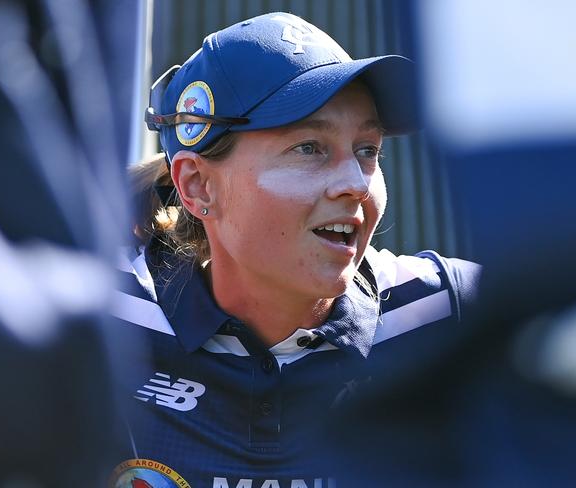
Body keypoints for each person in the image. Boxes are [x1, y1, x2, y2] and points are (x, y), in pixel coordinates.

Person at [110, 12, 480, 488]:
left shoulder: (448, 314)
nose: (356, 185)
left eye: (367, 149)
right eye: (309, 148)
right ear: (198, 185)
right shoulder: (102, 323)